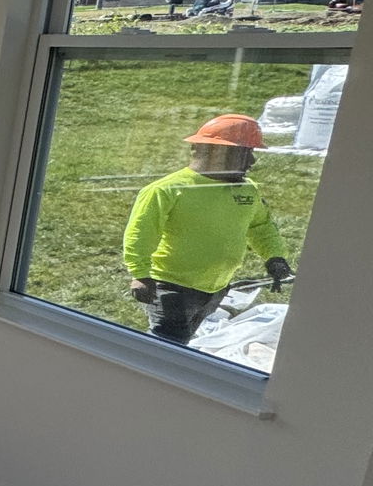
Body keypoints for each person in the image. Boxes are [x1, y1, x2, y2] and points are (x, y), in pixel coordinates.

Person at [122, 114, 293, 346]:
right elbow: (141, 232)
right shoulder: (166, 190)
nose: (252, 161)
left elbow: (260, 226)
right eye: (245, 153)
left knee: (180, 341)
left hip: (216, 288)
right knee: (168, 344)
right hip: (169, 285)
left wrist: (274, 256)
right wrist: (140, 274)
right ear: (217, 153)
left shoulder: (247, 190)